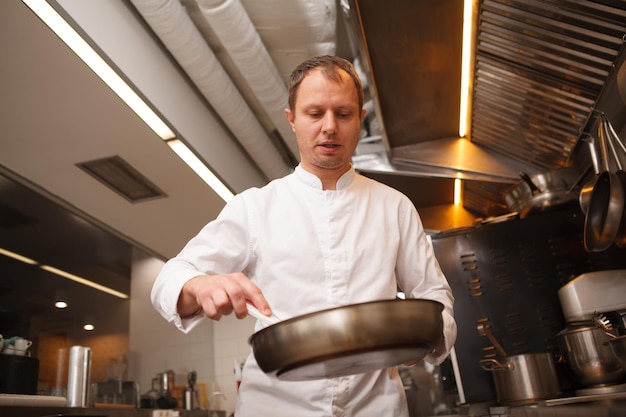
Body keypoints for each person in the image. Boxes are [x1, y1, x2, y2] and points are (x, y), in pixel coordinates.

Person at [152, 55, 456, 416]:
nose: (330, 127)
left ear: (360, 118)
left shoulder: (395, 206)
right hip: (275, 407)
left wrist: (426, 337)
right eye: (315, 114)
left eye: (343, 114)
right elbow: (169, 279)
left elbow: (434, 294)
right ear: (292, 120)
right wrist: (199, 286)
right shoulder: (254, 207)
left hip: (376, 407)